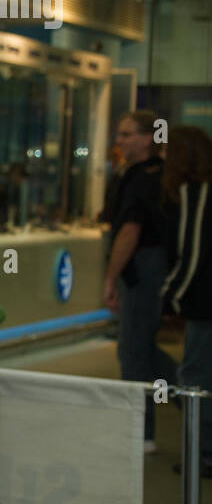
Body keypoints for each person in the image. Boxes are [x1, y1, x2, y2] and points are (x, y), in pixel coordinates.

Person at [102, 109, 175, 452]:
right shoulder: (154, 175)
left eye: (127, 134)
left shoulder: (142, 179)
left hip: (143, 269)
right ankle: (193, 403)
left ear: (148, 139)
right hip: (150, 268)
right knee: (144, 348)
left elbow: (130, 231)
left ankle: (140, 432)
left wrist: (111, 277)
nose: (120, 140)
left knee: (132, 350)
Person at [160, 125, 212, 477]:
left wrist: (170, 296)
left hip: (204, 304)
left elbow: (192, 252)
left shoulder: (197, 192)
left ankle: (202, 455)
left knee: (194, 376)